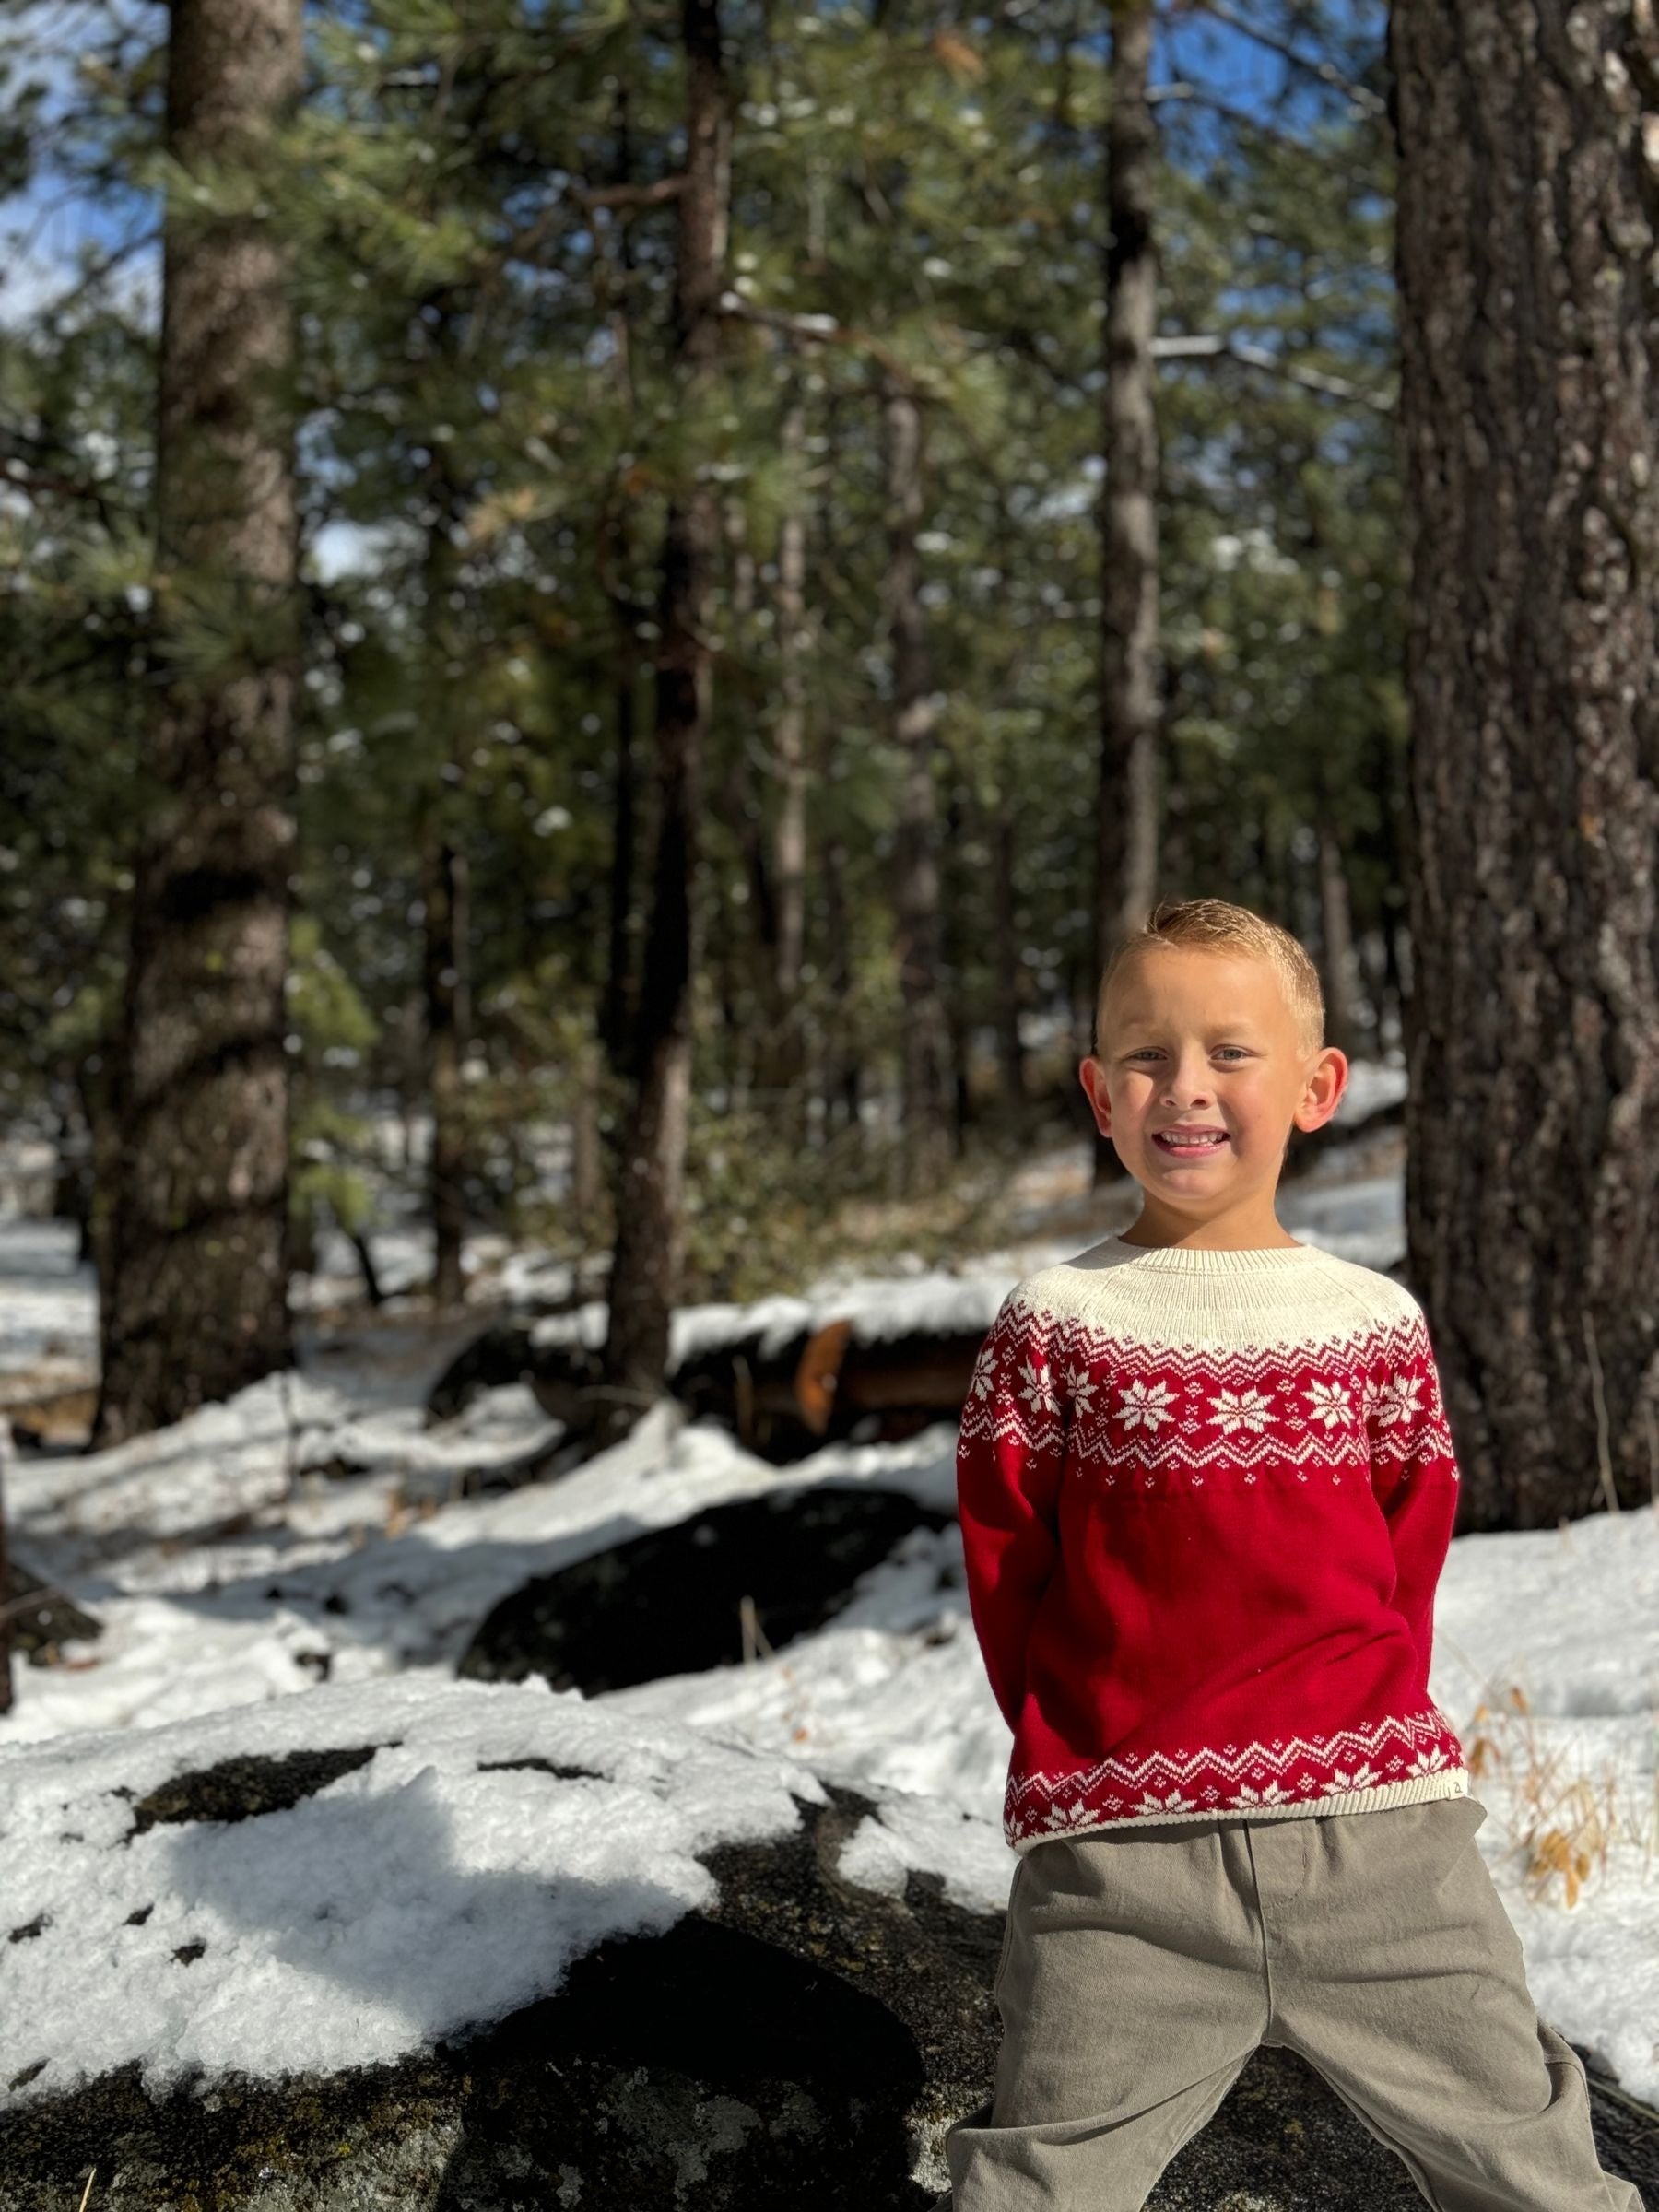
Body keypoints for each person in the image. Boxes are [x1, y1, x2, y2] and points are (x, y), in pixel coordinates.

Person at [940, 897, 1643, 2212]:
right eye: (1145, 1056)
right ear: (1099, 1091)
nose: (1185, 1088)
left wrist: (1344, 1725)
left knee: (1534, 2170)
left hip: (1382, 1857)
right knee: (1037, 2186)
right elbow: (1009, 1573)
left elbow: (1403, 1565)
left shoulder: (1370, 1323)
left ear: (1320, 1086)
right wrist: (1095, 1747)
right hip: (1125, 1871)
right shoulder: (1057, 1324)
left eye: (1229, 1052)